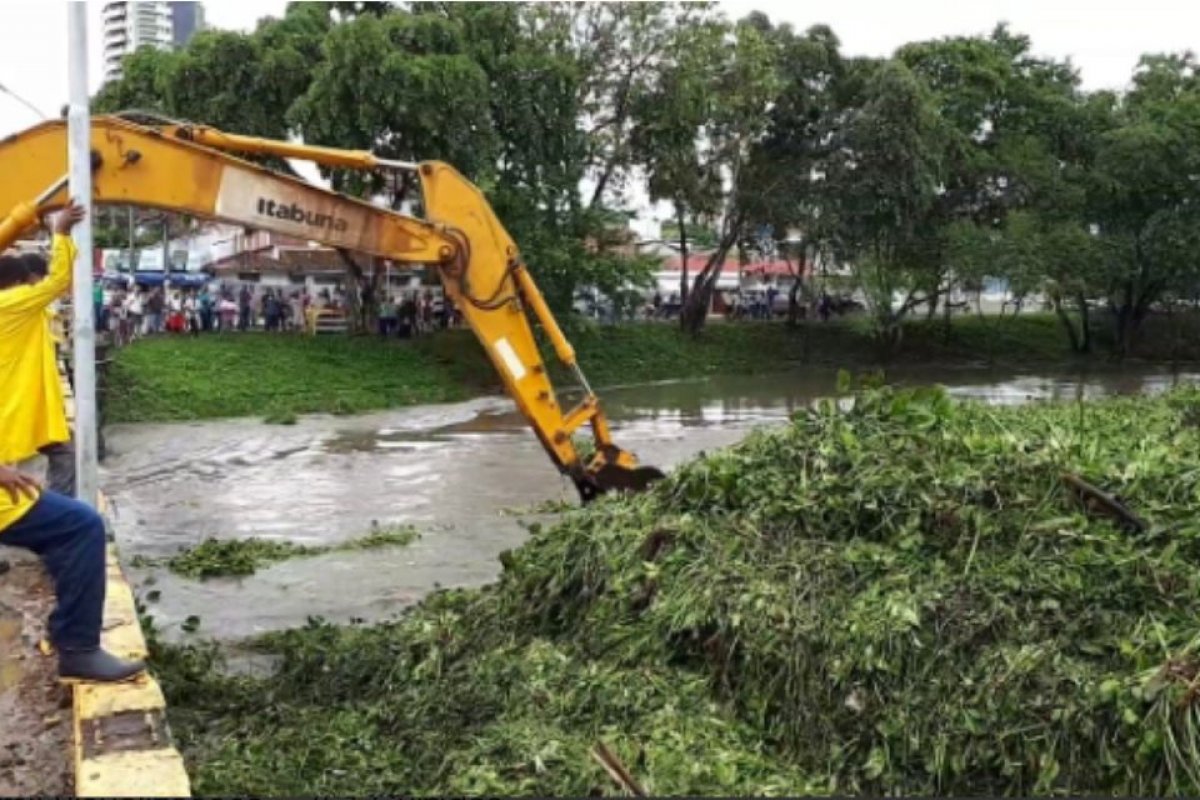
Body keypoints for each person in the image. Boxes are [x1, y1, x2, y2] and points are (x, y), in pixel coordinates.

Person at [0, 203, 145, 682]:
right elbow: (59, 279)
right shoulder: (9, 307)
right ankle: (77, 647)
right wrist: (61, 233)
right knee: (82, 526)